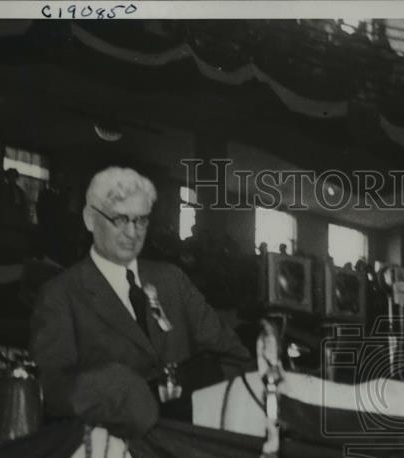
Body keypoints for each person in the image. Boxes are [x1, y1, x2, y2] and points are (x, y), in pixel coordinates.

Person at [30, 167, 253, 438]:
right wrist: (113, 390)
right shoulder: (60, 294)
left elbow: (236, 358)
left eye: (141, 220)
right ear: (90, 219)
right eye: (120, 219)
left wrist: (196, 391)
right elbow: (54, 390)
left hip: (187, 449)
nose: (132, 232)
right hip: (110, 454)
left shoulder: (172, 280)